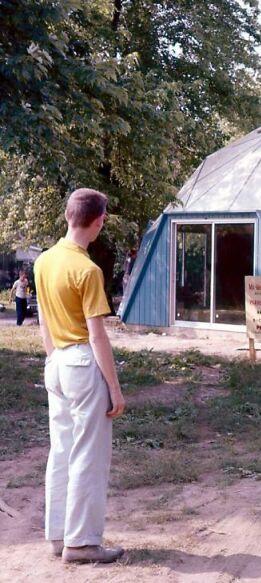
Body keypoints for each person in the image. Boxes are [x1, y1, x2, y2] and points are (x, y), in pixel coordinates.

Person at [34, 188, 126, 564]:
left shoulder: (44, 261)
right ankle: (83, 542)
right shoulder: (87, 270)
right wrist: (115, 389)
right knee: (89, 453)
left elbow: (43, 318)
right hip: (82, 363)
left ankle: (58, 535)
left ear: (68, 216)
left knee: (62, 450)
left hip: (55, 361)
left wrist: (53, 358)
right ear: (99, 221)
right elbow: (97, 335)